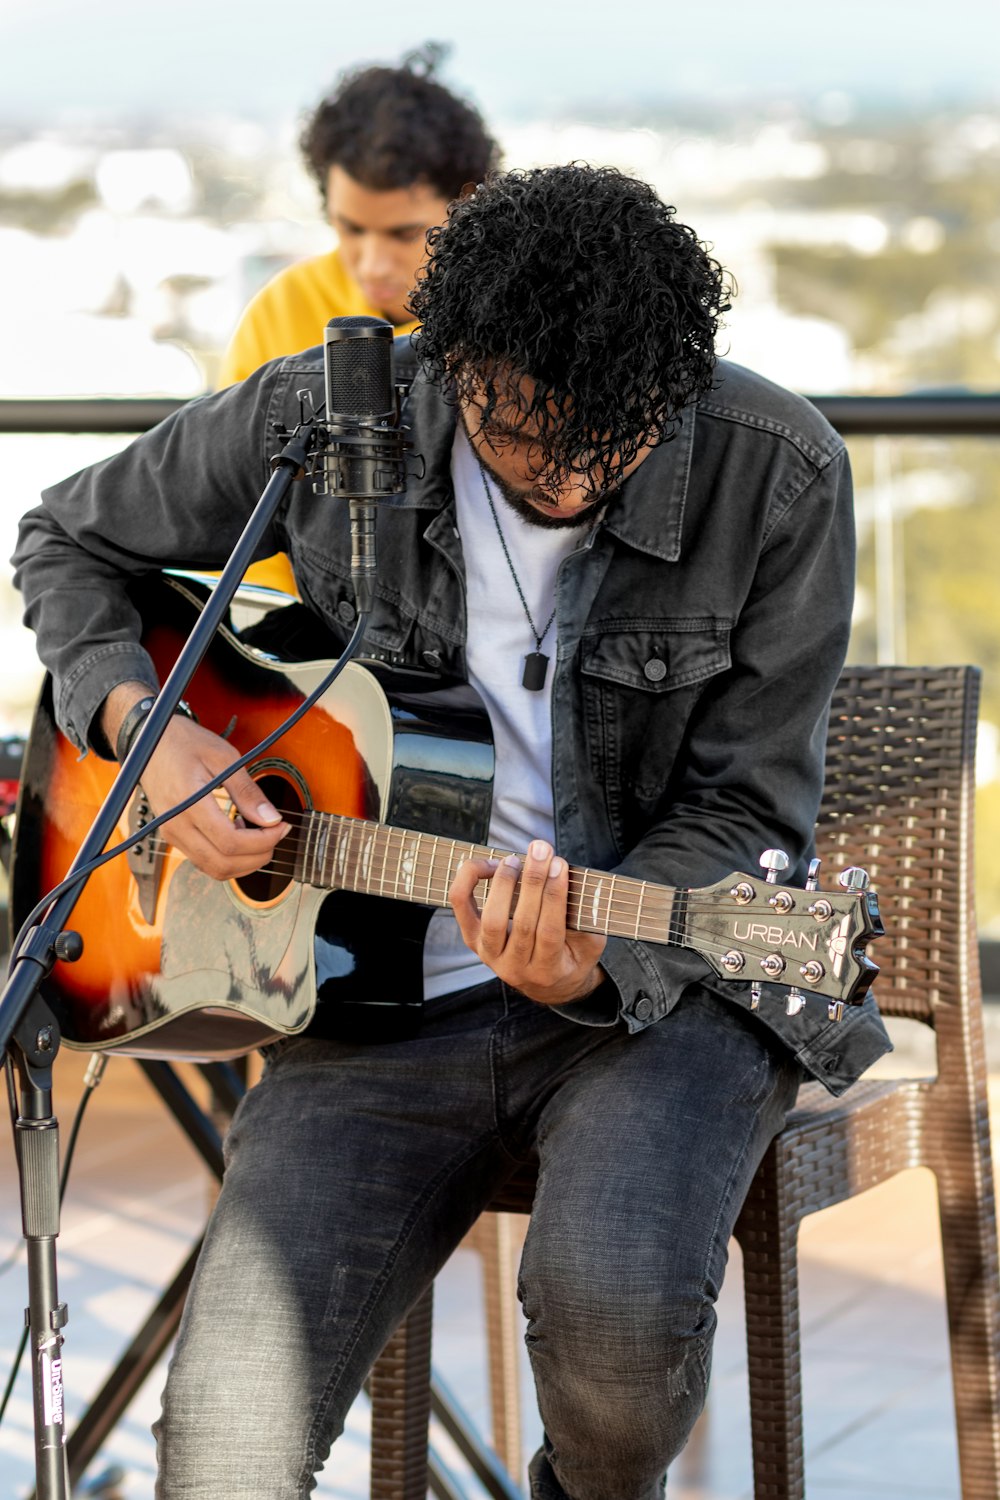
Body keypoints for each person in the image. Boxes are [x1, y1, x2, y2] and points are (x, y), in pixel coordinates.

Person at [13, 163, 890, 1500]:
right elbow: (66, 536)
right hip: (363, 1002)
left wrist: (592, 962)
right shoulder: (324, 416)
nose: (564, 474)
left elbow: (748, 811)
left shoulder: (777, 472)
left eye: (613, 441)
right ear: (451, 365)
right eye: (522, 434)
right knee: (223, 1451)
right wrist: (143, 724)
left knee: (614, 1325)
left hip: (655, 995)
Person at [217, 44, 500, 388]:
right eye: (351, 229)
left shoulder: (515, 319)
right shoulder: (283, 309)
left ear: (466, 208)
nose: (372, 266)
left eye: (405, 233)